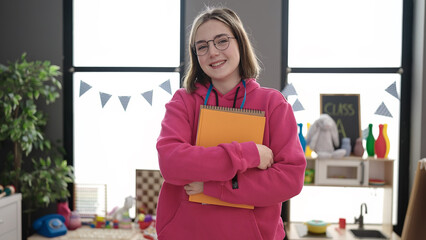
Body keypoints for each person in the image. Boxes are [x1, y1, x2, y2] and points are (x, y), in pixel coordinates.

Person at [156, 6, 306, 240]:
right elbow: (172, 163)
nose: (213, 52)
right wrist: (250, 153)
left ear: (240, 43)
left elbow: (289, 180)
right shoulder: (183, 101)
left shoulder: (273, 104)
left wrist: (213, 188)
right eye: (202, 47)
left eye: (222, 41)